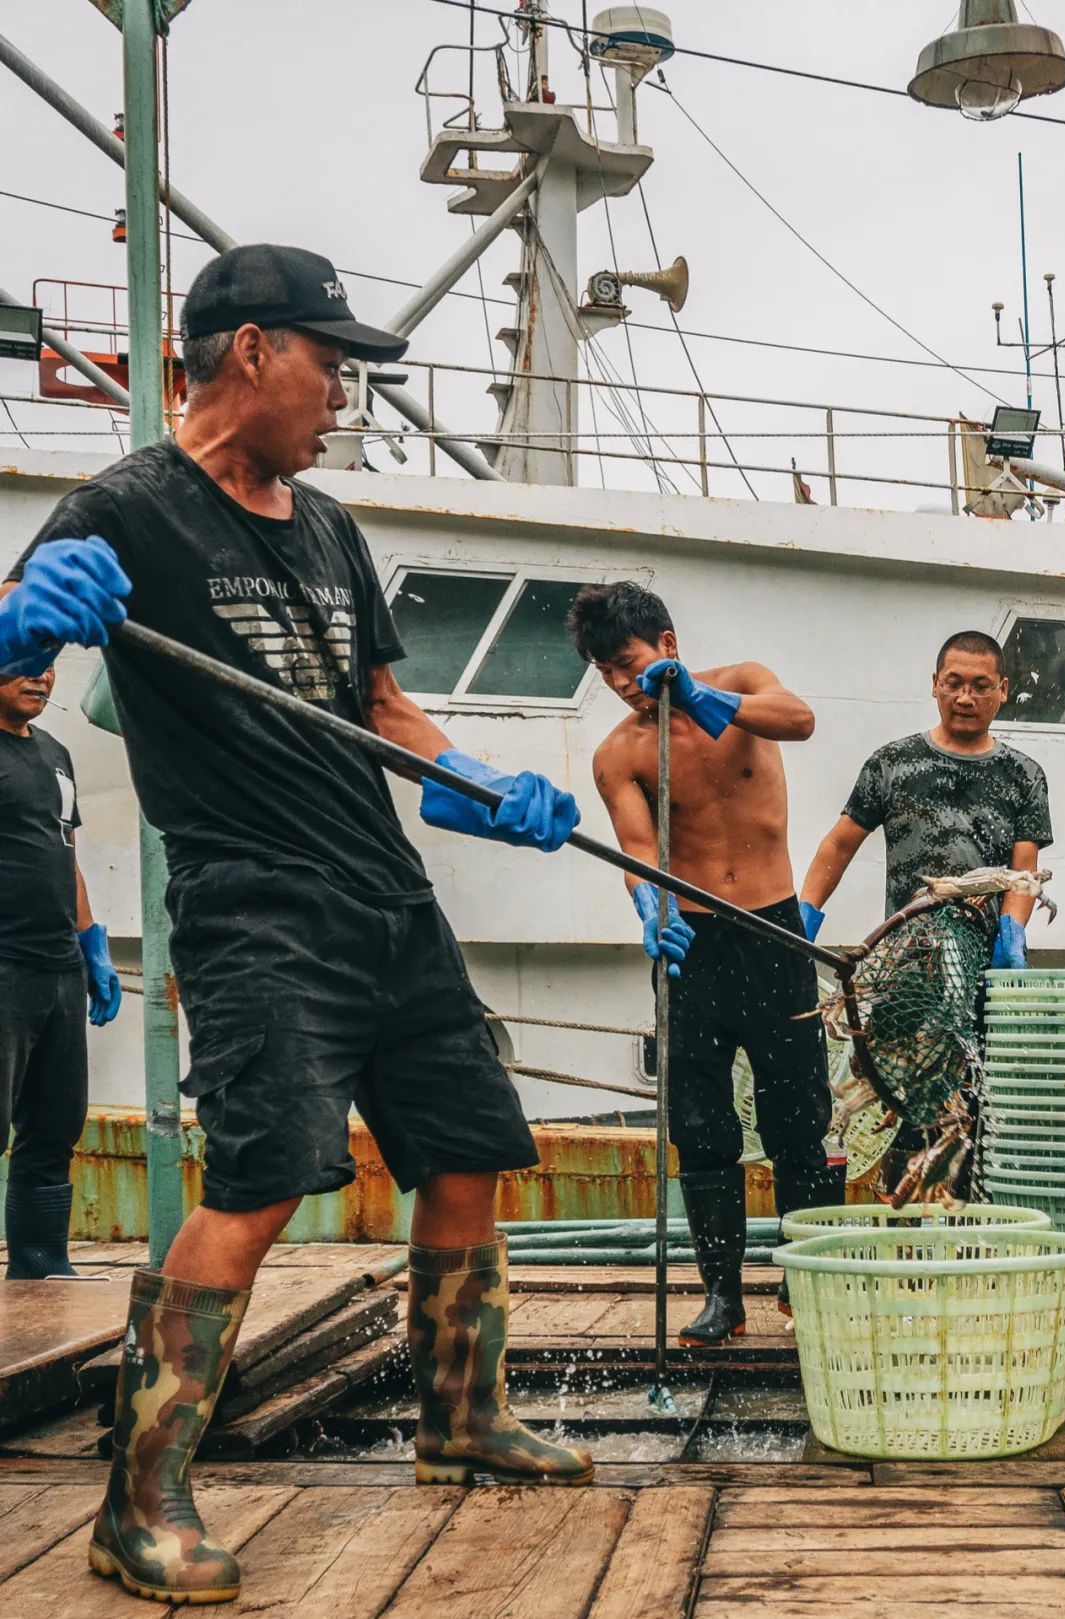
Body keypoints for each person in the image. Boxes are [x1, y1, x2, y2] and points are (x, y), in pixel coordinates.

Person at [3, 244, 592, 1608]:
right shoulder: (124, 507)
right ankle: (137, 1498)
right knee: (261, 1182)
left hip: (388, 895)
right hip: (255, 905)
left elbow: (381, 707)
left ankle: (460, 1416)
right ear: (253, 350)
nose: (348, 390)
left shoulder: (326, 524)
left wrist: (481, 778)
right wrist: (12, 621)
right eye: (333, 362)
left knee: (465, 1152)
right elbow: (9, 656)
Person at [566, 582, 845, 1348]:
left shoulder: (744, 684)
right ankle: (723, 1294)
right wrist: (649, 905)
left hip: (776, 931)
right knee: (701, 1124)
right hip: (691, 942)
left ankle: (806, 1278)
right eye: (606, 672)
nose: (623, 684)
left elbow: (802, 719)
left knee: (799, 1119)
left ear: (667, 643)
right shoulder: (619, 752)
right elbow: (638, 850)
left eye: (628, 662)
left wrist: (699, 696)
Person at [800, 629, 1053, 1184]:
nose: (966, 697)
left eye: (980, 686)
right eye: (954, 683)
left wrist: (1011, 932)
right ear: (935, 686)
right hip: (906, 967)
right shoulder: (892, 763)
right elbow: (839, 844)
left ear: (1002, 690)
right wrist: (805, 913)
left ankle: (968, 1223)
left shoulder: (1024, 775)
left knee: (976, 1107)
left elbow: (1024, 866)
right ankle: (910, 1230)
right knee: (907, 1103)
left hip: (983, 969)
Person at [0, 664, 121, 1279]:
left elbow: (65, 849)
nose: (41, 680)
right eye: (24, 665)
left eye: (49, 669)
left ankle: (39, 1263)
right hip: (4, 967)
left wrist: (92, 943)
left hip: (58, 966)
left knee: (54, 1124)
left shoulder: (55, 753)